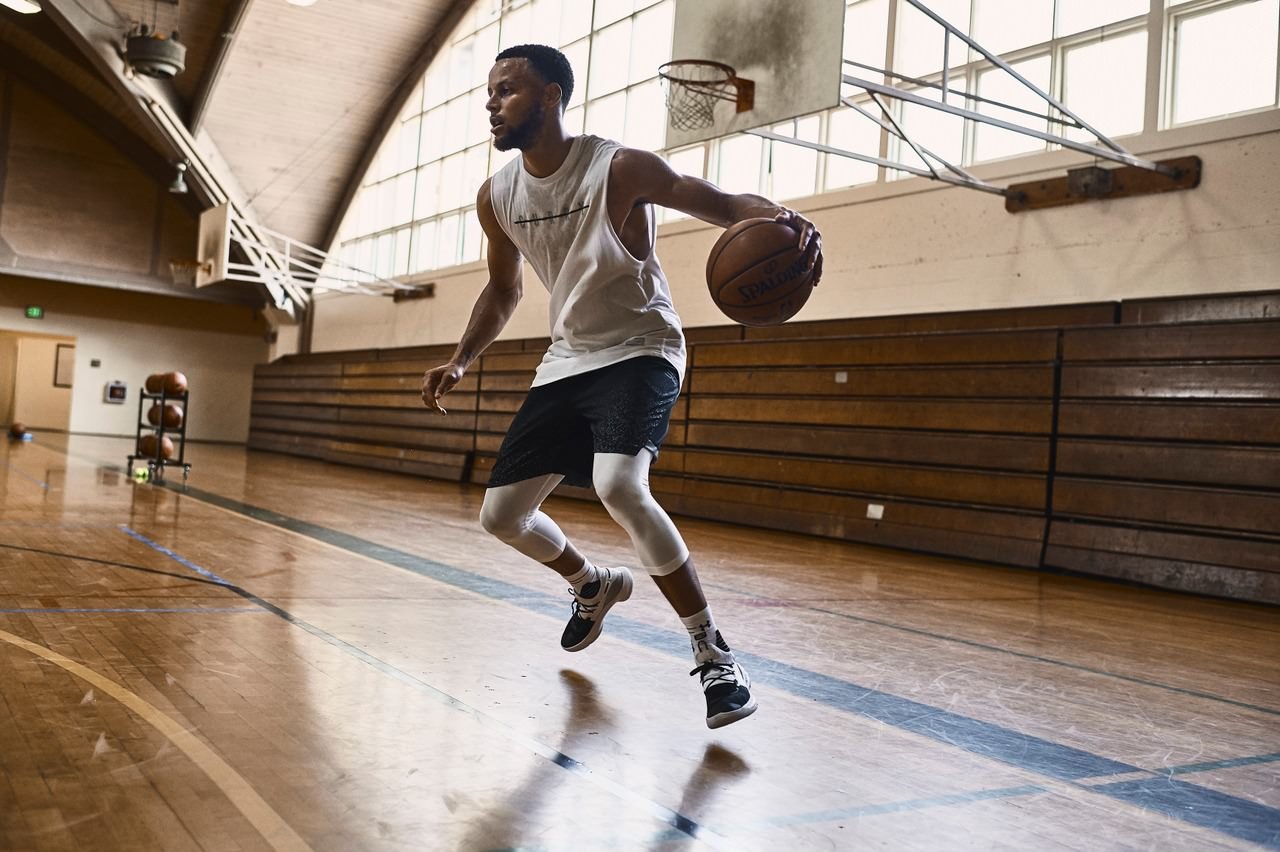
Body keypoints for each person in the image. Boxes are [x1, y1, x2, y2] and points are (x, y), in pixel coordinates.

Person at [421, 44, 822, 729]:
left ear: (551, 96)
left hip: (642, 347)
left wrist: (783, 222)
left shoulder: (619, 167)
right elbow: (502, 288)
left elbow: (726, 205)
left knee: (619, 485)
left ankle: (713, 653)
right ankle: (591, 584)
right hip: (570, 356)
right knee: (500, 517)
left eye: (508, 89)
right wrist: (461, 358)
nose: (492, 102)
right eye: (490, 91)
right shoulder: (497, 197)